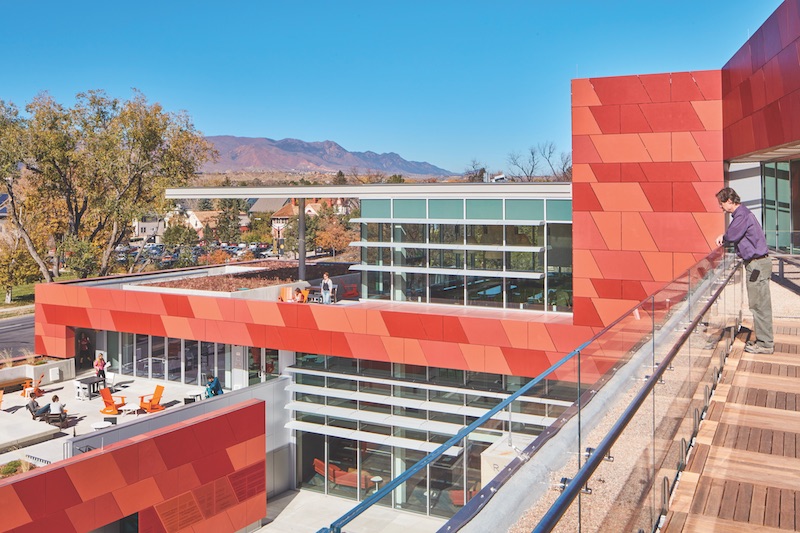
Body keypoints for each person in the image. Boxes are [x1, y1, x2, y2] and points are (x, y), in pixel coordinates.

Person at [715, 187, 774, 354]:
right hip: (758, 264)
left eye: (721, 204)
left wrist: (723, 237)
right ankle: (765, 341)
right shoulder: (744, 213)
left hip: (756, 265)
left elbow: (732, 235)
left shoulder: (741, 215)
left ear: (729, 201)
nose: (721, 207)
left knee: (759, 305)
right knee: (760, 304)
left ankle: (765, 344)